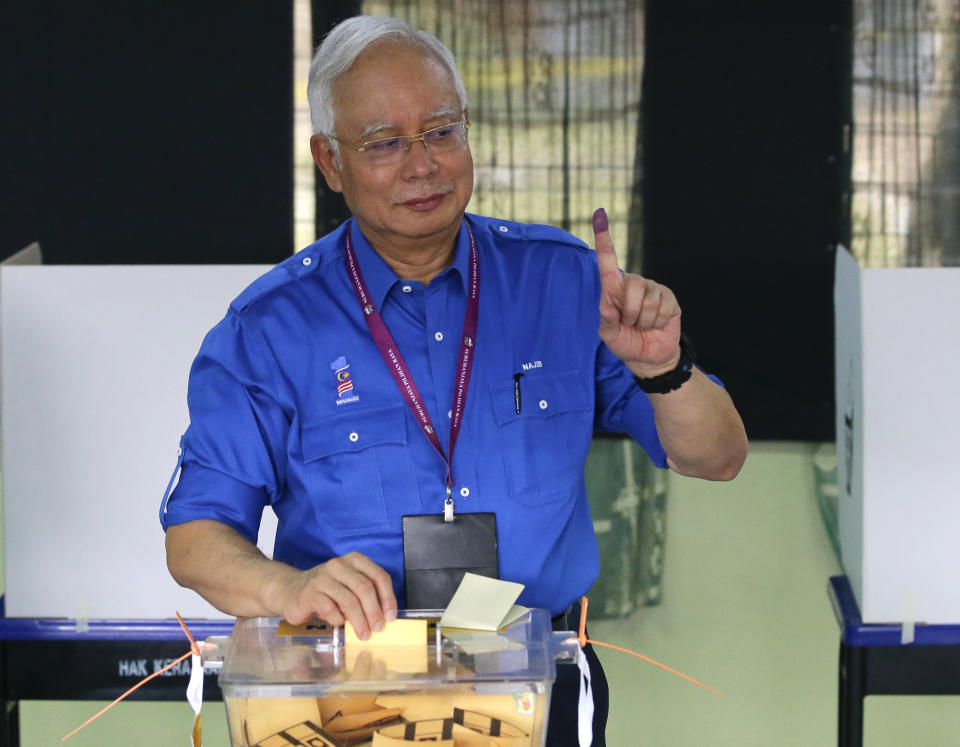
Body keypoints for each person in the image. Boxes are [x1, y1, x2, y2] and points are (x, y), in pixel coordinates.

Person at [161, 15, 747, 745]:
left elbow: (717, 457)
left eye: (442, 131)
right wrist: (290, 588)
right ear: (330, 161)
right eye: (384, 143)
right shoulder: (270, 328)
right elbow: (193, 536)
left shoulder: (563, 281)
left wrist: (666, 366)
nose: (423, 164)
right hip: (346, 689)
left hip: (540, 677)